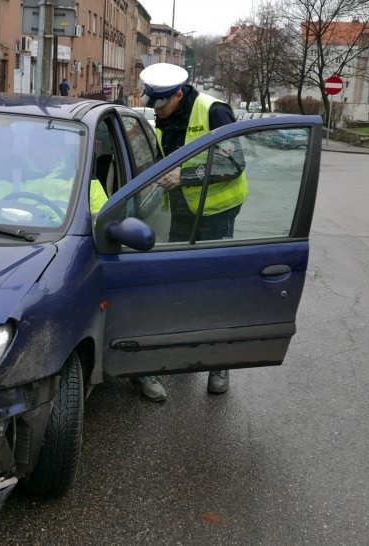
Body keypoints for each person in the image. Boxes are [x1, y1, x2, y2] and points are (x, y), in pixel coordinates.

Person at [132, 62, 249, 401]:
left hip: (217, 212)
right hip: (181, 213)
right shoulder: (163, 116)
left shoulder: (214, 112)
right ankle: (174, 351)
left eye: (161, 104)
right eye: (152, 103)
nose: (156, 111)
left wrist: (186, 177)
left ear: (179, 95)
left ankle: (217, 363)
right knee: (177, 283)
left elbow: (234, 162)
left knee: (214, 287)